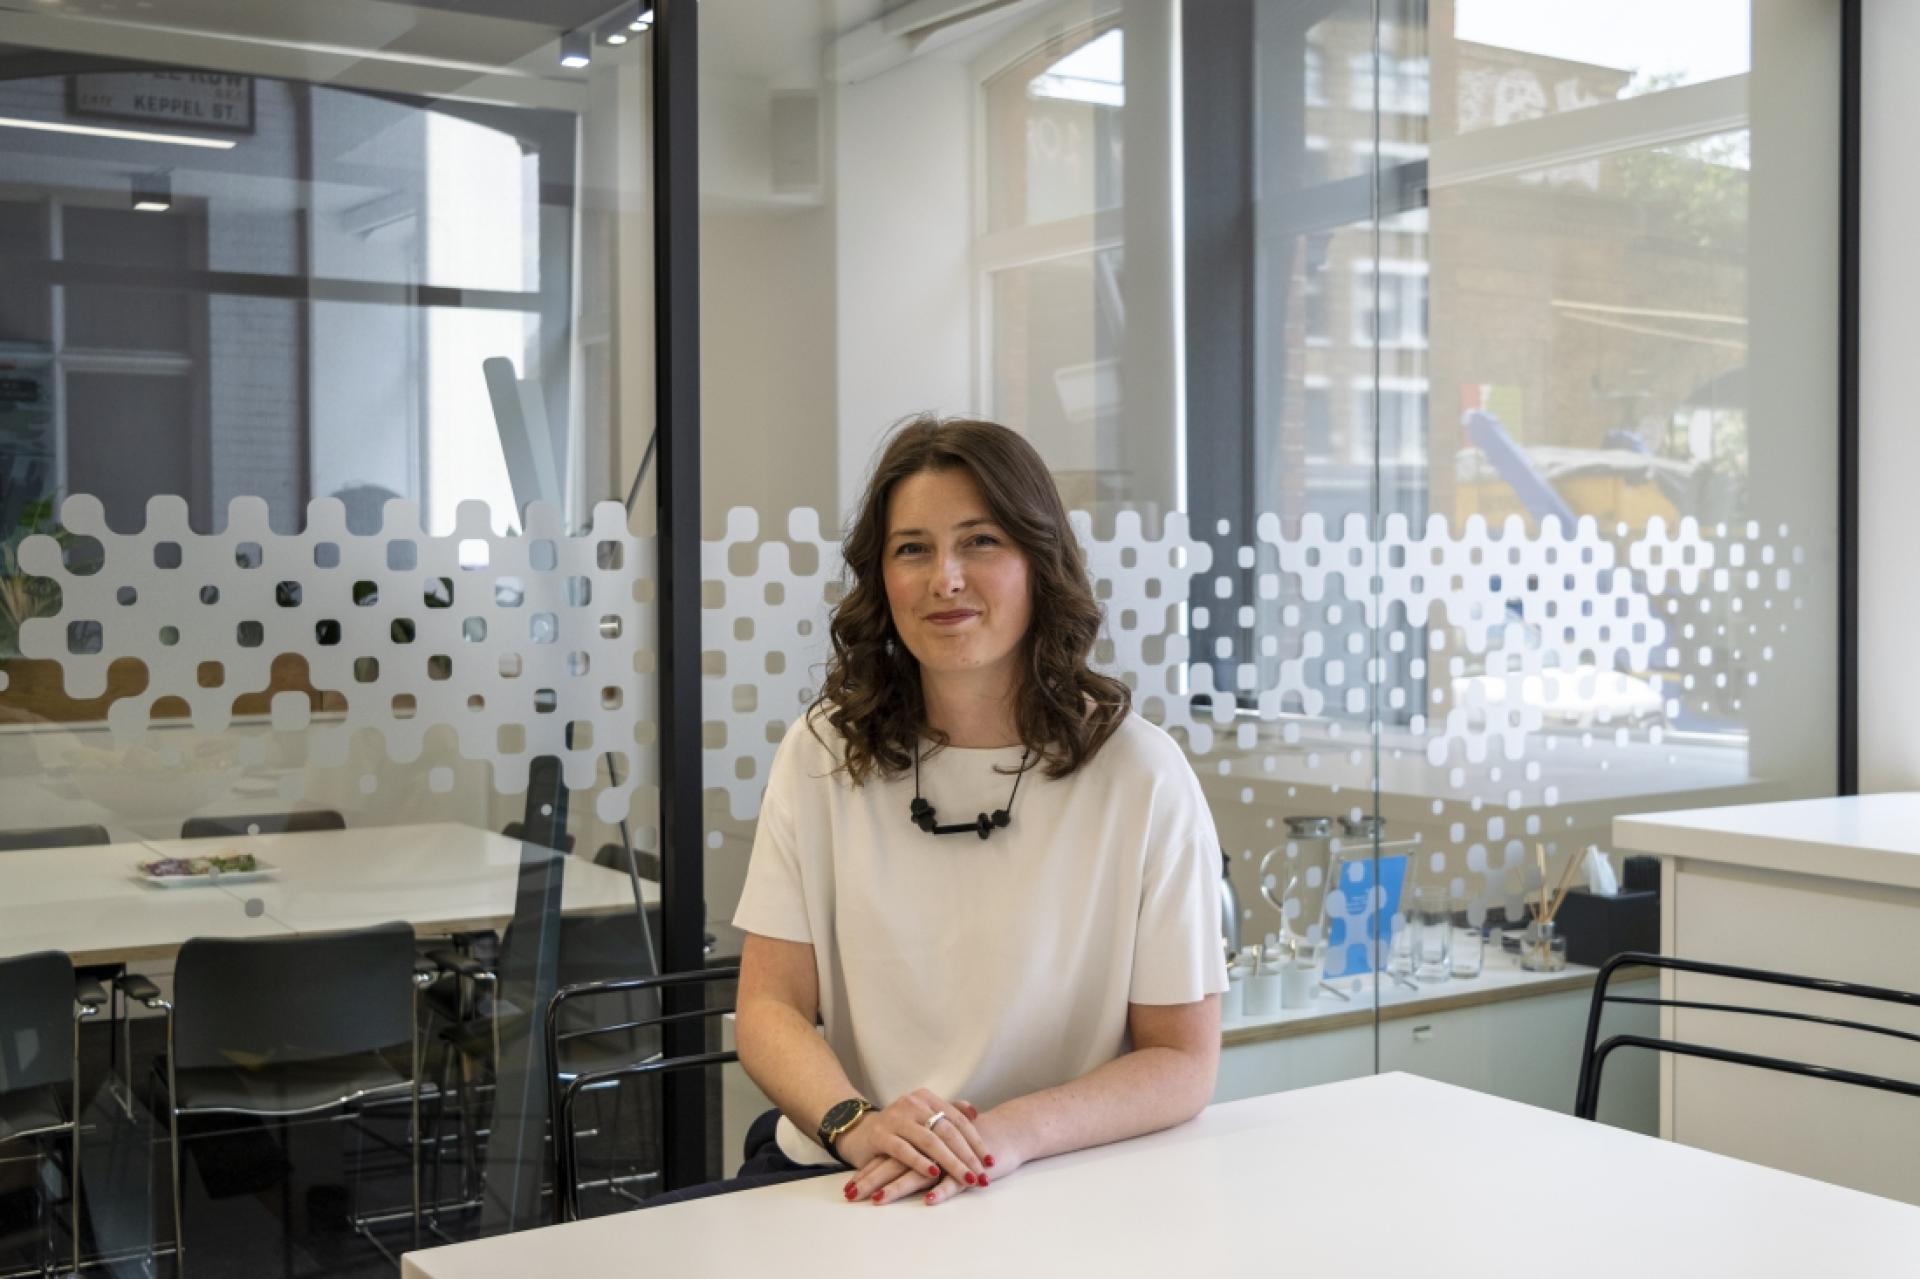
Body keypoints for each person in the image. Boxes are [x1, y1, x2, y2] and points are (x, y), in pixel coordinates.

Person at [728, 414, 1226, 1208]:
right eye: (912, 548)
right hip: (848, 1170)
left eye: (981, 541)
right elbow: (767, 1005)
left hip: (1052, 1176)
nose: (945, 578)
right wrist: (858, 1122)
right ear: (880, 578)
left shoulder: (1142, 775)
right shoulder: (821, 752)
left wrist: (1009, 1133)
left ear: (1039, 559)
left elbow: (1182, 1061)